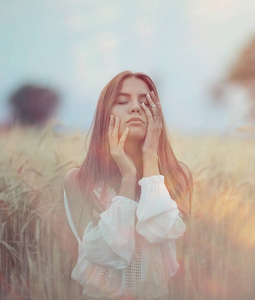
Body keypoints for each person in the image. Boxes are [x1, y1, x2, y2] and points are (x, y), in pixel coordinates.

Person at [63, 71, 192, 299]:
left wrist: (151, 156)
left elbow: (161, 229)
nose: (135, 108)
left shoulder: (178, 175)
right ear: (105, 115)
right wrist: (128, 178)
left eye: (145, 102)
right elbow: (107, 253)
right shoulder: (79, 181)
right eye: (122, 102)